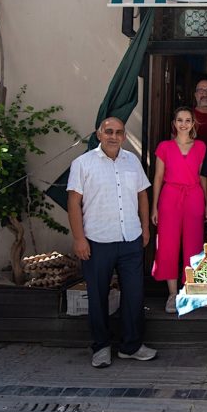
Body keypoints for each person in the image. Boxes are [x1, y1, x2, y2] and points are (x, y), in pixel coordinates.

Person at [67, 117, 157, 368]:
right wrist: (79, 238)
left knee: (134, 295)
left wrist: (145, 228)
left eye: (118, 132)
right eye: (108, 132)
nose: (113, 136)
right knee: (97, 296)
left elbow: (142, 195)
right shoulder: (83, 164)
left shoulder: (132, 161)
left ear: (124, 136)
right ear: (99, 134)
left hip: (130, 238)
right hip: (97, 240)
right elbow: (73, 202)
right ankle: (101, 347)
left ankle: (131, 346)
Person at [150, 107, 207, 314]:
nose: (184, 124)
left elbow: (203, 177)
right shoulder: (164, 147)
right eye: (180, 120)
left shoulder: (200, 146)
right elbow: (157, 177)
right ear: (174, 123)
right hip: (170, 196)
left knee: (193, 243)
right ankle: (173, 294)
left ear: (193, 124)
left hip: (193, 196)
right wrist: (154, 206)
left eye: (188, 120)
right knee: (167, 244)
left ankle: (188, 289)